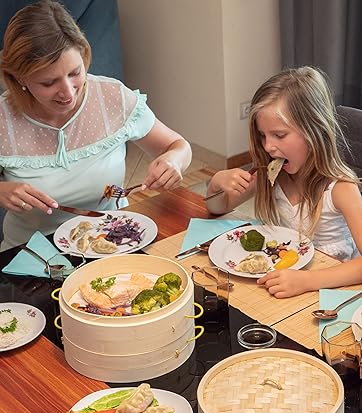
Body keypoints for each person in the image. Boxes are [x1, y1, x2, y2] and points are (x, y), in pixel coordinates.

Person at [0, 0, 192, 250]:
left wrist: (173, 161)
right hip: (30, 256)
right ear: (20, 78)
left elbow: (178, 145)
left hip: (114, 242)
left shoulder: (112, 97)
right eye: (48, 83)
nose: (68, 92)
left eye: (75, 73)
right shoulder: (4, 119)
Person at [206, 66, 362, 298]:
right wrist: (217, 183)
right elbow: (216, 207)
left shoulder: (340, 188)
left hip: (328, 290)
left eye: (279, 135)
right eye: (262, 135)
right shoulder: (270, 175)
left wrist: (309, 281)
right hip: (282, 282)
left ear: (314, 130)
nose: (268, 146)